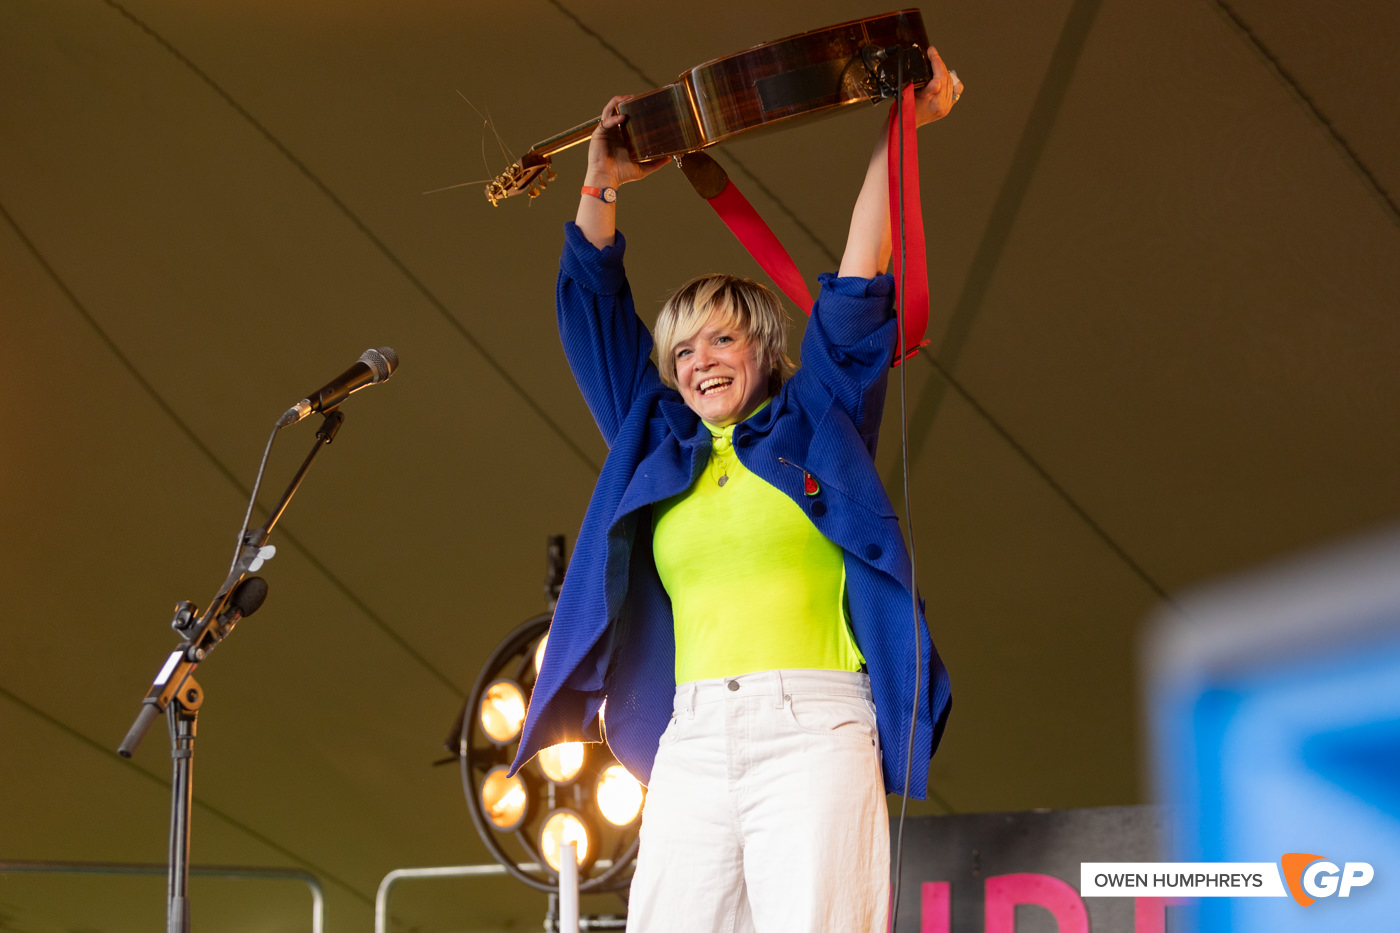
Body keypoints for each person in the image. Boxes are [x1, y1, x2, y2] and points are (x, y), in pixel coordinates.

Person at [511, 47, 963, 933]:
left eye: (719, 341)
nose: (699, 362)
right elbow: (592, 310)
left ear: (762, 346)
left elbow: (860, 274)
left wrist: (902, 124)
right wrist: (598, 184)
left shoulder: (817, 416)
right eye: (682, 351)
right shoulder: (656, 436)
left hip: (816, 728)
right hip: (691, 738)